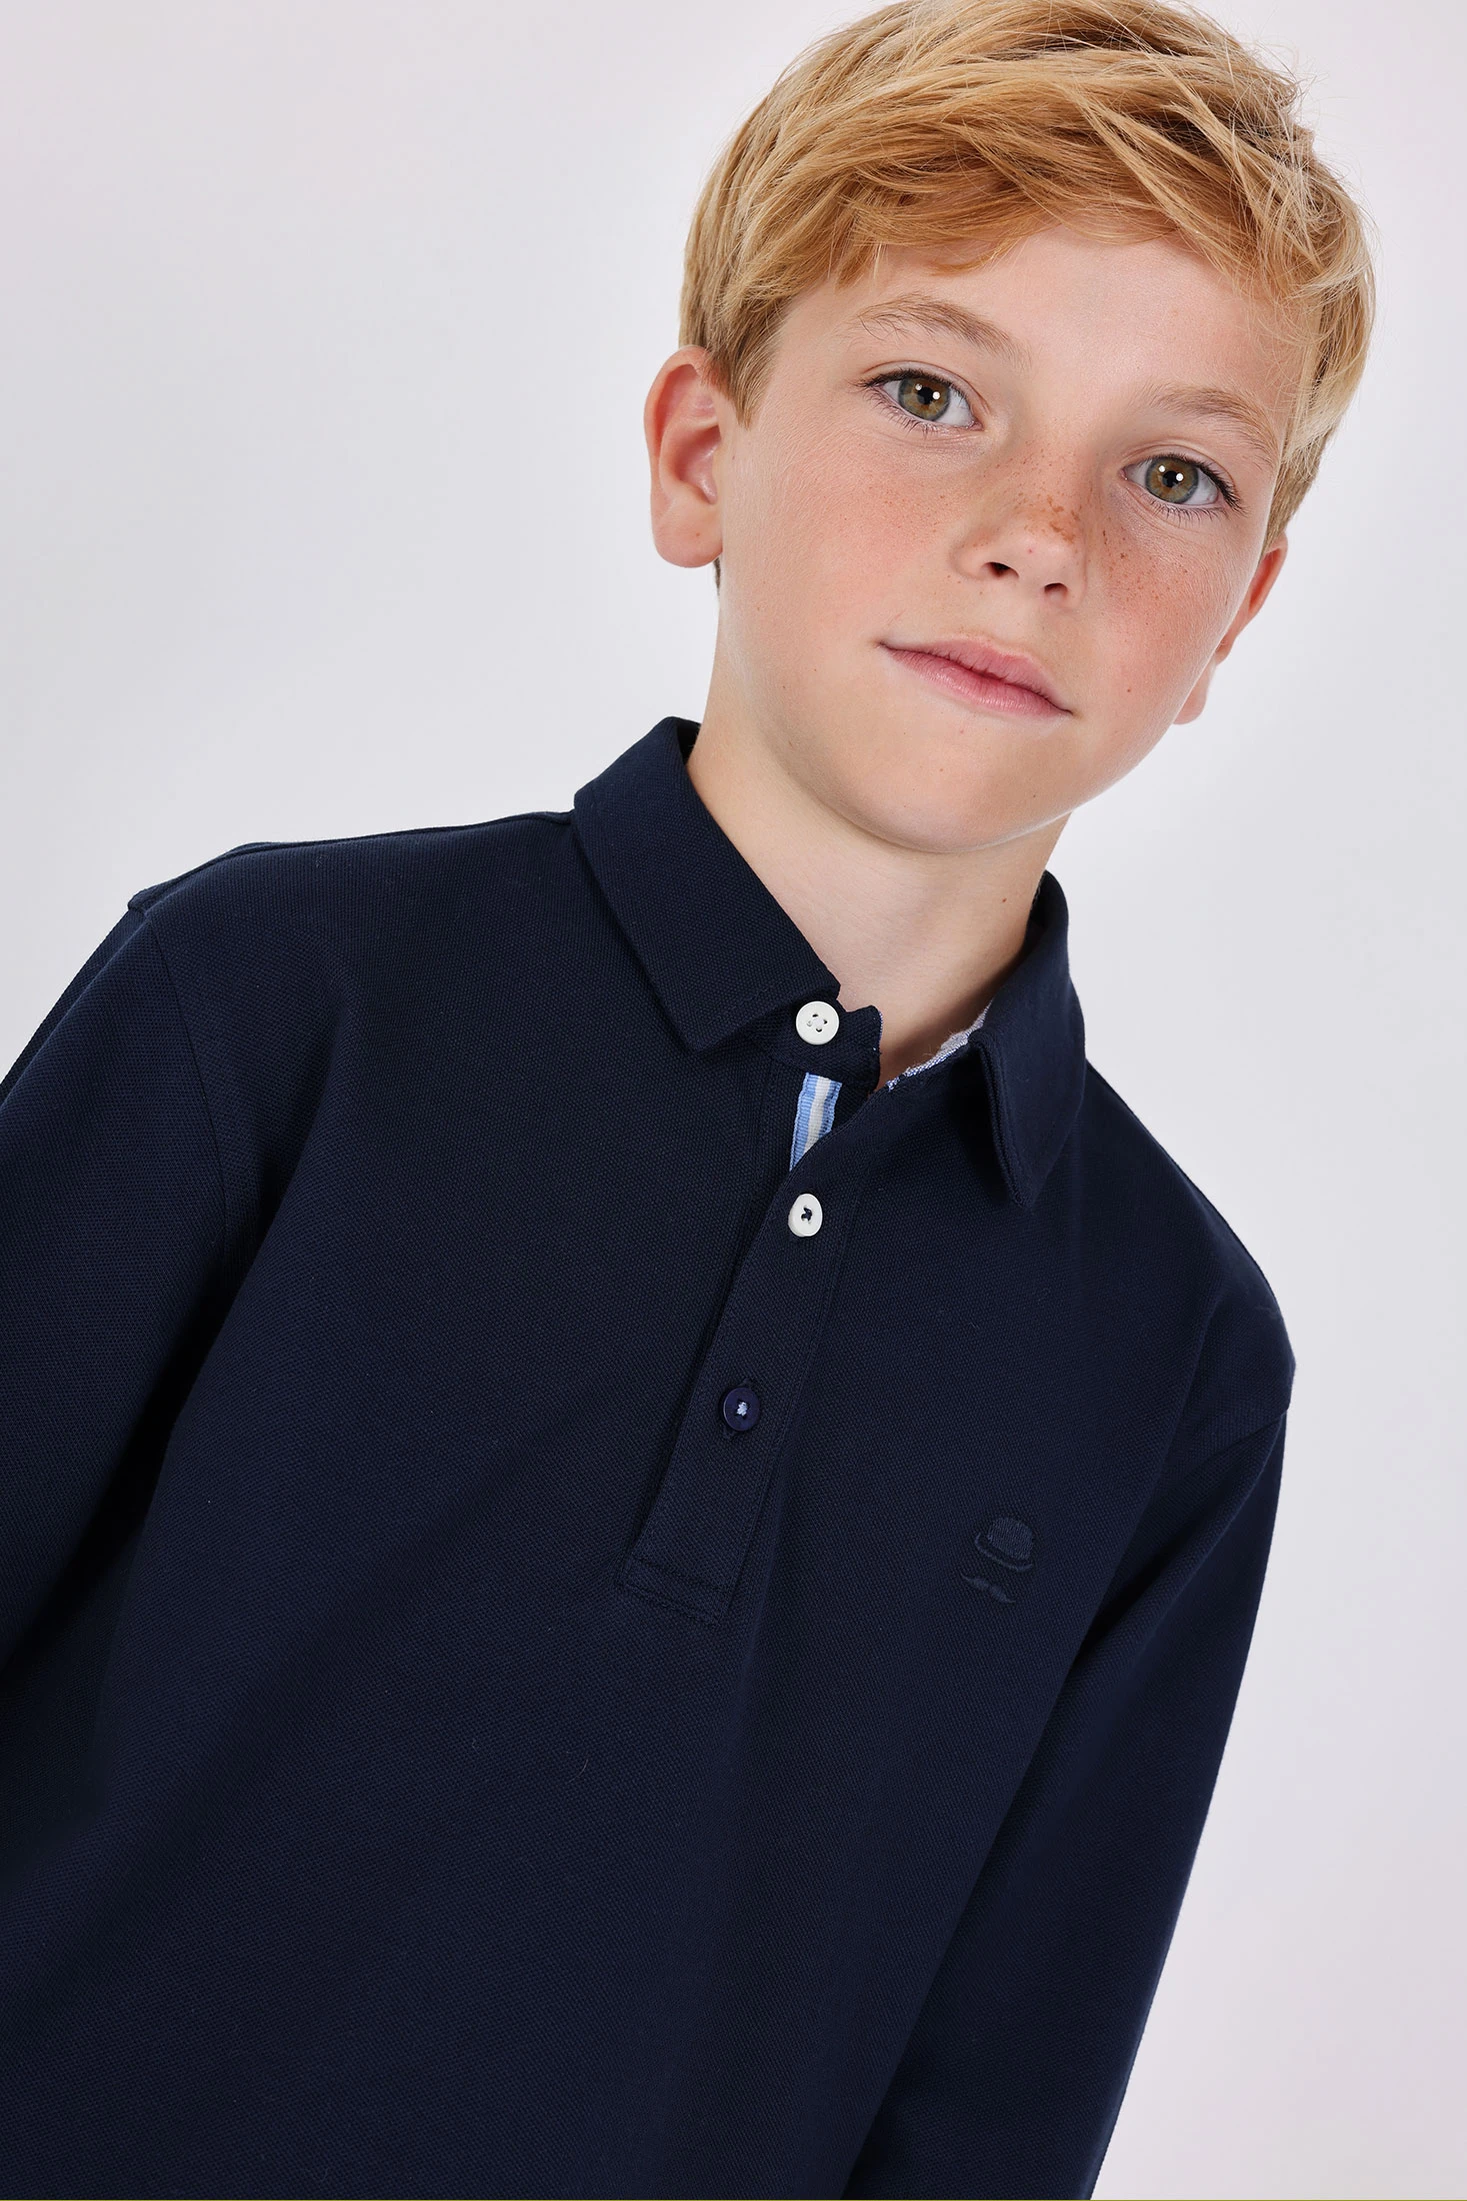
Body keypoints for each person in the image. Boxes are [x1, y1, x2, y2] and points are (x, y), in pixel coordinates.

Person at [0, 2, 1374, 2195]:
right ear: (698, 454)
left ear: (1237, 618)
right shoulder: (271, 1002)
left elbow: (991, 2114)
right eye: (930, 392)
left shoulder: (1178, 1354)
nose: (1040, 533)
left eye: (1172, 472)